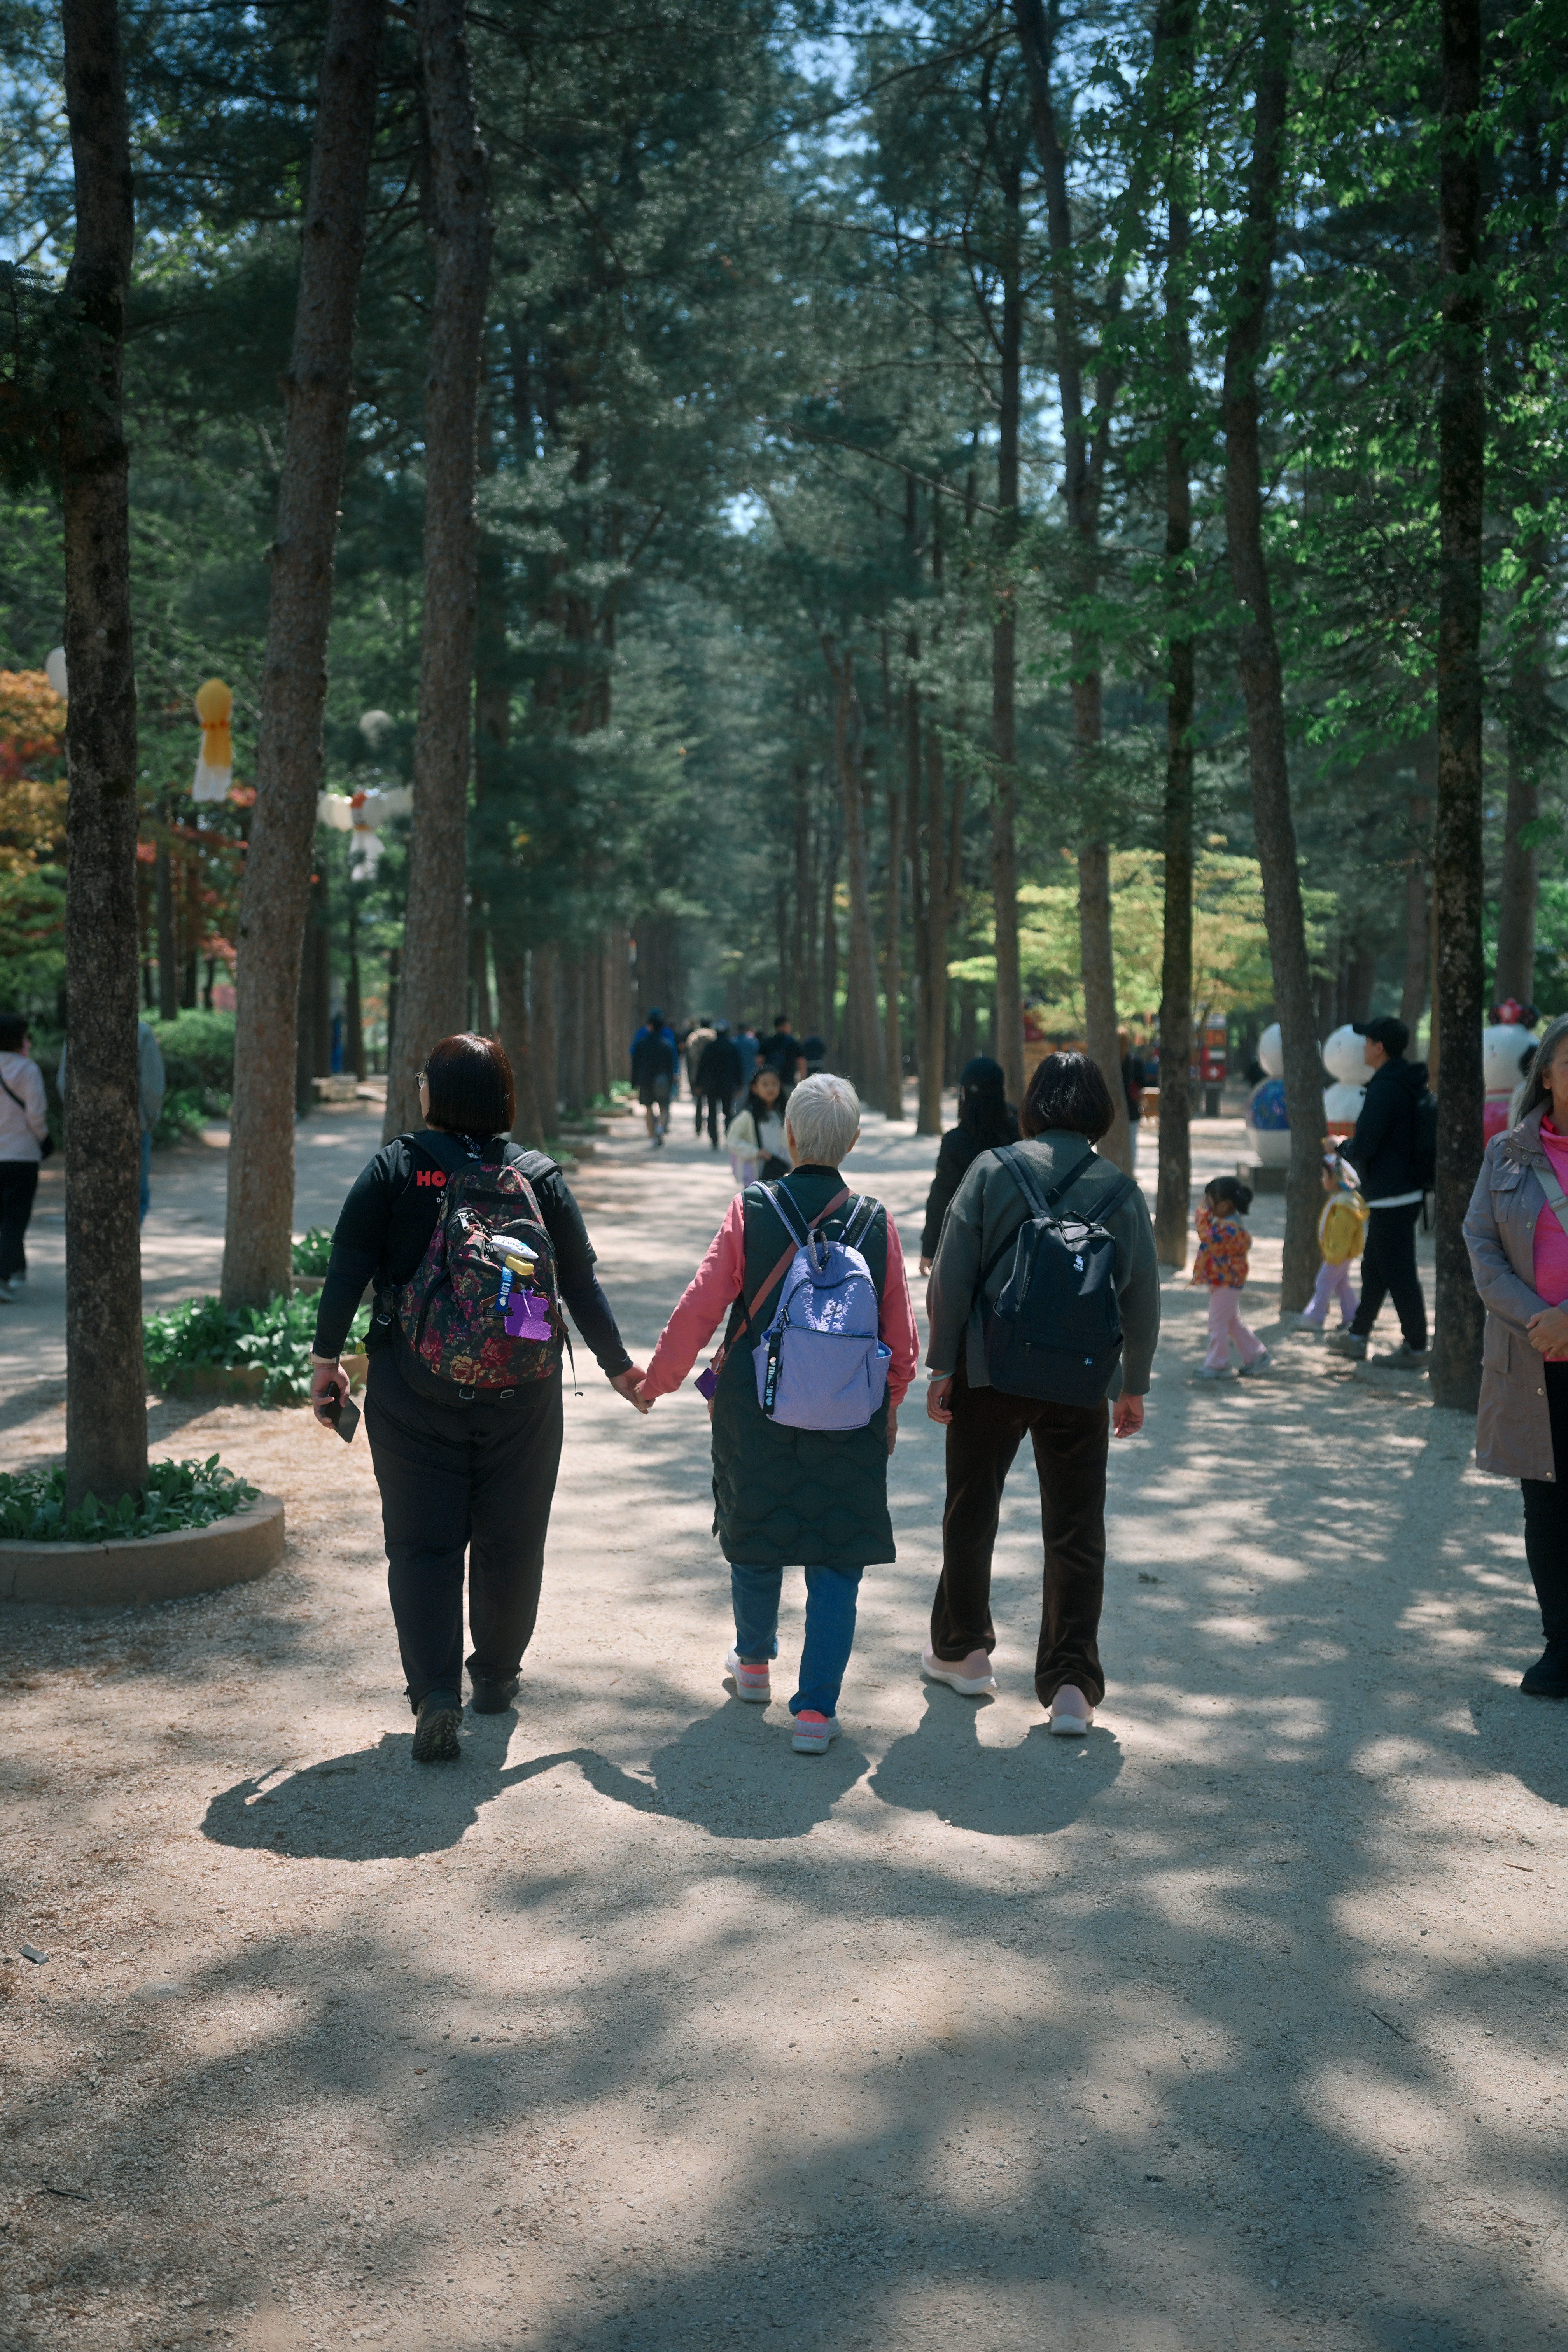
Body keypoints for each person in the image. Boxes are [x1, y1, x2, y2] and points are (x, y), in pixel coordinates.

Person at [307, 1032, 648, 1762]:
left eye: (423, 1079)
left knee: (422, 1544)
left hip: (412, 1386)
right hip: (523, 1389)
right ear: (503, 1096)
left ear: (435, 1092)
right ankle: (494, 1676)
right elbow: (578, 1282)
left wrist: (325, 1360)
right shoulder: (537, 1175)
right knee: (511, 1536)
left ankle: (434, 1694)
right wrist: (619, 1368)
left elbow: (345, 1273)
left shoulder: (397, 1167)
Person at [634, 1073, 919, 1753]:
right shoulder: (875, 1221)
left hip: (755, 1403)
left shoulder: (751, 1207)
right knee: (835, 1555)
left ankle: (753, 1664)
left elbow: (702, 1304)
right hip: (850, 1407)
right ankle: (816, 1711)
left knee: (756, 1530)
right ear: (851, 1140)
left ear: (788, 1136)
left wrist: (659, 1379)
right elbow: (900, 1333)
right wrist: (890, 1401)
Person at [921, 1051, 1159, 1733]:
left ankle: (963, 1651)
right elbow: (1140, 1297)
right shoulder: (1119, 1187)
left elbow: (952, 1274)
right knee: (1076, 1527)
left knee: (971, 1511)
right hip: (1080, 1381)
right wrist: (1131, 1386)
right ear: (1098, 1109)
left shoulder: (993, 1168)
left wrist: (943, 1367)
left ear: (1030, 1104)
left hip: (989, 1371)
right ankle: (1071, 1684)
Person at [1465, 1011, 1568, 1699]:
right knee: (1546, 1510)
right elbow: (1482, 1244)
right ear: (1548, 1075)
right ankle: (1561, 1643)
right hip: (1532, 1361)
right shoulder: (1505, 1153)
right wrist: (1542, 1318)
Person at [1325, 1015, 1429, 1368]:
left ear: (1379, 1047)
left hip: (1392, 1194)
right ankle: (1357, 1335)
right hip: (1399, 1191)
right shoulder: (1402, 1081)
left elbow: (1366, 1144)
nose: (1364, 1047)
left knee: (1397, 1272)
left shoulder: (1385, 1087)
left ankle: (1416, 1347)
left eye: (1368, 1041)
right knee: (1376, 1269)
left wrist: (1341, 1146)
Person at [56, 1016, 165, 1224]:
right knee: (135, 1197)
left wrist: (78, 1116)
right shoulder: (140, 1032)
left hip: (86, 1128)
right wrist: (150, 1119)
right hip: (134, 1125)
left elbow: (64, 1083)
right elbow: (152, 1085)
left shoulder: (78, 1031)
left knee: (90, 1197)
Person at [918, 1055, 1020, 1276]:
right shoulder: (1018, 1133)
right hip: (1015, 1246)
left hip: (964, 1249)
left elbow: (942, 1195)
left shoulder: (956, 1142)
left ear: (963, 1094)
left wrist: (930, 1247)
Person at [1192, 1176, 1267, 1377]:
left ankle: (1218, 1364)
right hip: (1223, 1281)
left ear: (1224, 1205)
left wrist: (1201, 1215)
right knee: (1232, 1322)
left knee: (1217, 1323)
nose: (1206, 1205)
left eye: (1209, 1200)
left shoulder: (1229, 1229)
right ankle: (1256, 1354)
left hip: (1227, 1282)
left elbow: (1207, 1236)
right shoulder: (1226, 1223)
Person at [0, 1014, 49, 1302]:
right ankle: (5, 1274)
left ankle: (17, 1268)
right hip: (22, 1156)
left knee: (5, 1220)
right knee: (15, 1219)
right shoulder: (28, 1070)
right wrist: (44, 1139)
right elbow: (36, 1115)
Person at [1295, 1150, 1367, 1333]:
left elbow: (1340, 1235)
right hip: (1337, 1253)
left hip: (1338, 1254)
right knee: (1341, 1285)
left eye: (1324, 1175)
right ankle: (1354, 1316)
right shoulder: (1341, 1200)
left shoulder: (1344, 1204)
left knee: (1323, 1281)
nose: (1322, 1179)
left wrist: (1332, 1255)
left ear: (1335, 1178)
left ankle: (1314, 1317)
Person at [728, 1064, 788, 1186]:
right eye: (765, 1085)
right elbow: (732, 1140)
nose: (770, 1088)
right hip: (755, 1175)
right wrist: (756, 1152)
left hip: (777, 1172)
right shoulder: (748, 1116)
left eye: (774, 1084)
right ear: (755, 1089)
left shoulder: (784, 1115)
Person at [630, 1006, 678, 1147]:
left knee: (649, 1109)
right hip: (662, 1080)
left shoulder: (641, 1040)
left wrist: (634, 1082)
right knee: (664, 1108)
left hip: (645, 1080)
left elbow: (635, 1061)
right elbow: (672, 1060)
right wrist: (673, 1078)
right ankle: (660, 1128)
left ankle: (652, 1138)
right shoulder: (667, 1041)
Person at [695, 1020, 743, 1150]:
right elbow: (739, 1068)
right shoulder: (733, 1048)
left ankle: (714, 1139)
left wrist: (698, 1084)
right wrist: (739, 1085)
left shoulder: (710, 1047)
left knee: (712, 1112)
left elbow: (702, 1067)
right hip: (728, 1085)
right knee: (728, 1112)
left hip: (711, 1085)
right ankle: (729, 1136)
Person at [685, 1015, 718, 1131]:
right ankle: (712, 1128)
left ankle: (698, 1126)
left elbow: (690, 1054)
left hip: (697, 1072)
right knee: (712, 1102)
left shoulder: (694, 1036)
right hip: (713, 1074)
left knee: (698, 1100)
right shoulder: (714, 1035)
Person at [759, 1013, 806, 1091]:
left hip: (770, 1083)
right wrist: (802, 1083)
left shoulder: (767, 1042)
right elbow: (802, 1064)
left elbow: (759, 1062)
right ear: (785, 1025)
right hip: (788, 1082)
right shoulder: (793, 1043)